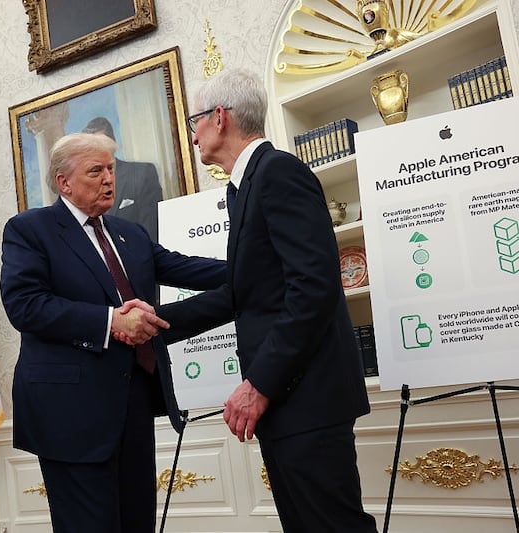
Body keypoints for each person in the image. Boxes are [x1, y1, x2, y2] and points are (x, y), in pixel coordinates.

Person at [156, 69, 378, 532]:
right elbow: (241, 295)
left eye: (195, 119)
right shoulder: (246, 187)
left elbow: (313, 289)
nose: (192, 135)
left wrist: (257, 384)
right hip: (287, 401)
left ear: (219, 118)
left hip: (307, 399)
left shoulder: (278, 173)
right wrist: (155, 321)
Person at [0, 132, 226, 533]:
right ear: (63, 181)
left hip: (132, 403)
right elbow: (25, 306)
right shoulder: (30, 230)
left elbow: (185, 266)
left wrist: (256, 264)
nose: (108, 179)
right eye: (95, 171)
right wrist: (111, 322)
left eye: (111, 169)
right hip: (69, 414)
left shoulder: (129, 233)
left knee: (137, 520)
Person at [82, 117, 164, 241]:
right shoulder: (84, 187)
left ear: (114, 144)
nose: (95, 152)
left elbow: (152, 230)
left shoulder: (142, 173)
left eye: (100, 145)